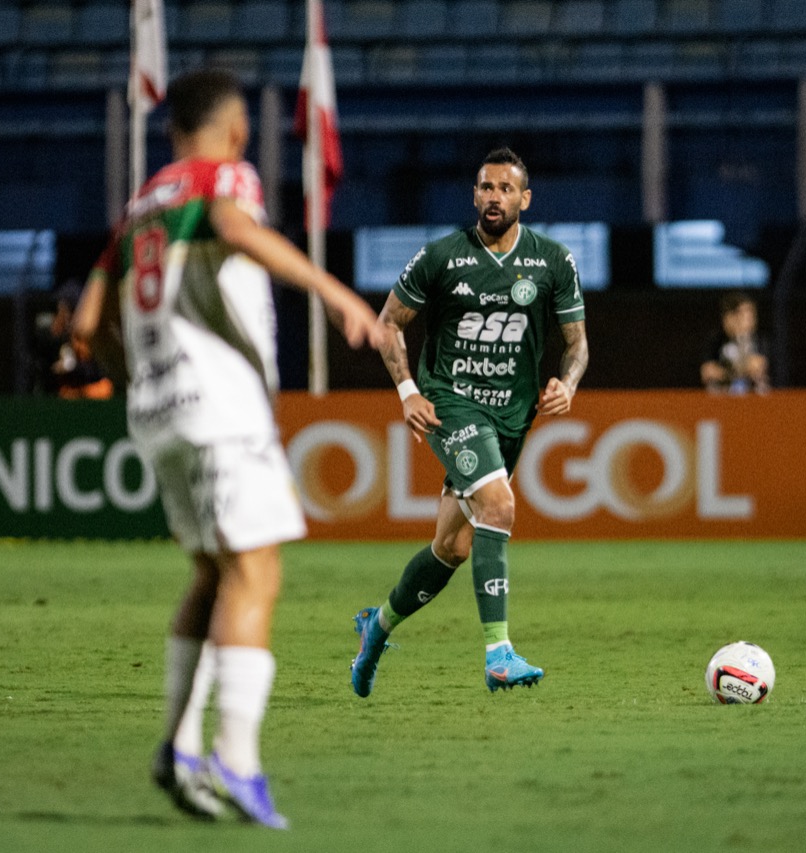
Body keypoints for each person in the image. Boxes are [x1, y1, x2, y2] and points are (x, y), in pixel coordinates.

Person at [73, 68, 384, 828]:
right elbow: (239, 230)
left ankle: (178, 744)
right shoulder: (225, 177)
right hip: (220, 408)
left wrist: (138, 376)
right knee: (256, 569)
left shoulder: (141, 205)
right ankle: (235, 759)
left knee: (214, 573)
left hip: (157, 411)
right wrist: (338, 294)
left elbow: (85, 323)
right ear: (237, 128)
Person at [350, 147, 589, 697]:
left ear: (524, 199)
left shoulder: (553, 261)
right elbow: (387, 324)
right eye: (485, 187)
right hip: (451, 404)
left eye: (506, 189)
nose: (494, 197)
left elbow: (577, 344)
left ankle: (377, 628)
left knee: (453, 547)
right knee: (499, 506)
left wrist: (567, 384)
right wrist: (408, 392)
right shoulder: (441, 257)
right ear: (474, 195)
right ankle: (498, 652)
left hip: (512, 418)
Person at [34, 279, 114, 399]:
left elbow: (102, 372)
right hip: (68, 403)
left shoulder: (92, 335)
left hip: (95, 399)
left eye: (64, 310)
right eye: (59, 310)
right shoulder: (60, 338)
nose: (60, 316)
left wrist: (74, 366)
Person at [700, 291, 770, 394]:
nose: (749, 320)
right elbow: (708, 372)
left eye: (751, 315)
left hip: (753, 400)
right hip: (722, 399)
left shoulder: (759, 340)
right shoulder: (716, 340)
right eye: (742, 314)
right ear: (729, 317)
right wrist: (742, 371)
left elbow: (756, 367)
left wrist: (723, 373)